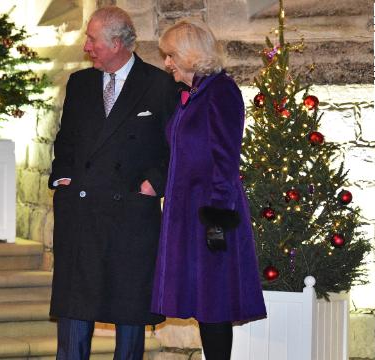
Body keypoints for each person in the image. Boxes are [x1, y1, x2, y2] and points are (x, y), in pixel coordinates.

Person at [48, 6, 179, 360]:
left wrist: (154, 184)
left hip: (131, 217)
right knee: (76, 310)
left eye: (92, 40)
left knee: (130, 309)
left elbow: (175, 147)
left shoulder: (159, 84)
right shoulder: (81, 83)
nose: (87, 47)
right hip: (82, 212)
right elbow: (67, 141)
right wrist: (62, 179)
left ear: (118, 43)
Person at [150, 20, 267, 360]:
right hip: (186, 211)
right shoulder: (193, 94)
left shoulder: (221, 91)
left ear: (190, 54)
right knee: (201, 302)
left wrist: (216, 219)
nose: (167, 63)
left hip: (211, 214)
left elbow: (225, 159)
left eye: (171, 55)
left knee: (213, 303)